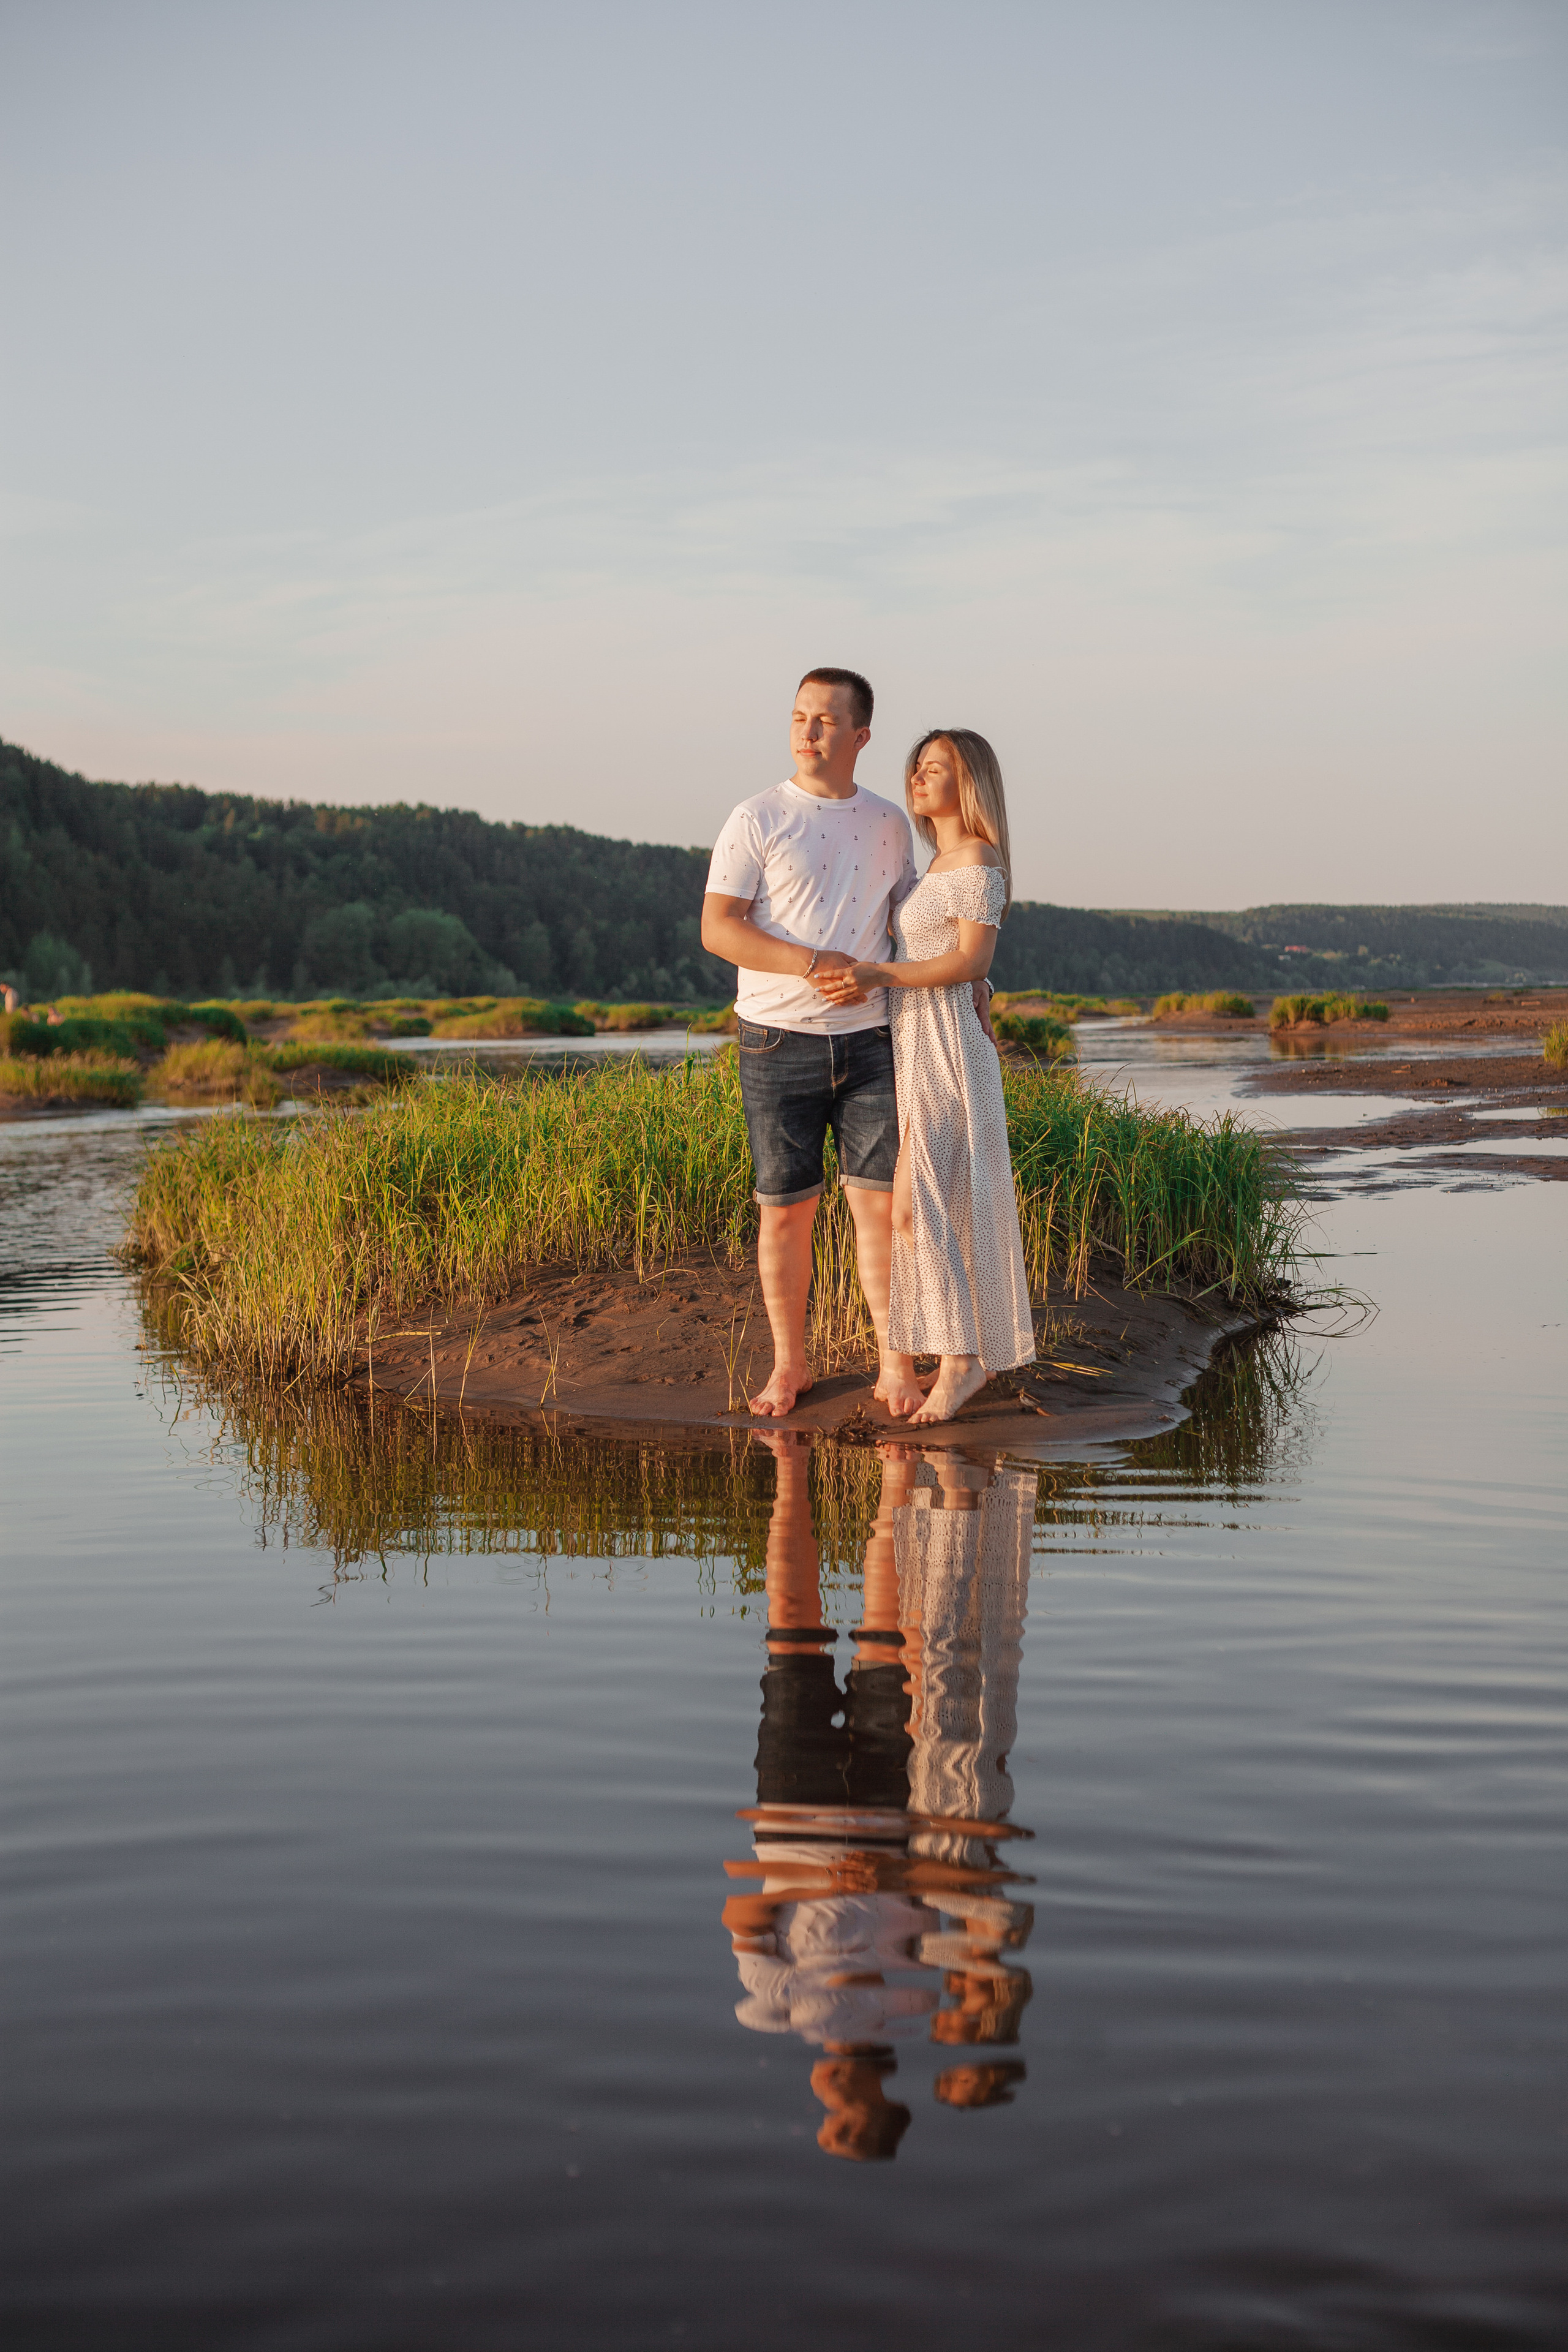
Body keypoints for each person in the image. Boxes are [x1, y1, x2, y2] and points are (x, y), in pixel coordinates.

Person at [701, 669, 994, 1419]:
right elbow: (719, 928)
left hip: (872, 1042)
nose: (807, 732)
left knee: (880, 1209)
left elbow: (920, 918)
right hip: (775, 1040)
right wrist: (812, 963)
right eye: (800, 717)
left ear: (860, 736)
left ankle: (895, 1366)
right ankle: (789, 1368)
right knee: (785, 1211)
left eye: (827, 721)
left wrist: (975, 985)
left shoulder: (892, 822)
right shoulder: (756, 816)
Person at [815, 729, 1035, 1426]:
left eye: (933, 768)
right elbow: (965, 960)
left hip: (946, 1052)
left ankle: (962, 1363)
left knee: (918, 1206)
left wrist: (883, 974)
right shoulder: (940, 862)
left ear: (967, 782)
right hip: (917, 1046)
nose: (916, 777)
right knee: (921, 1207)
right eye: (914, 766)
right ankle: (961, 1357)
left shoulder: (975, 859)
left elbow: (968, 958)